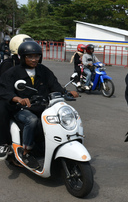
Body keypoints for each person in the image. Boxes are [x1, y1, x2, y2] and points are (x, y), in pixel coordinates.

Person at [0, 41, 78, 169]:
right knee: (32, 120)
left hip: (41, 106)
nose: (34, 59)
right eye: (30, 56)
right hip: (20, 109)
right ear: (22, 57)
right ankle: (26, 152)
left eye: (36, 56)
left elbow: (54, 85)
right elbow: (4, 90)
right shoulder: (13, 72)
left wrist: (67, 92)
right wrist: (17, 98)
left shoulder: (43, 70)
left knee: (59, 118)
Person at [0, 34, 34, 160]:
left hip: (27, 97)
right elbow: (4, 86)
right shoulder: (8, 64)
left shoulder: (31, 64)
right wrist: (14, 97)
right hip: (9, 97)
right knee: (2, 109)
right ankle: (3, 143)